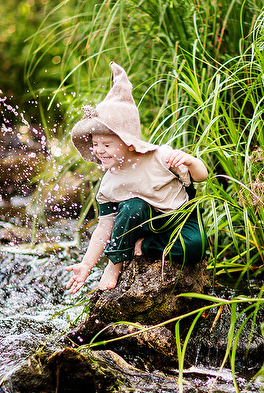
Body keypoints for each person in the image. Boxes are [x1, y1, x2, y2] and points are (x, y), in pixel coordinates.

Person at [66, 62, 208, 294]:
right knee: (132, 207)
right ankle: (115, 263)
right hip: (143, 220)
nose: (99, 150)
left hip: (178, 216)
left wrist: (191, 161)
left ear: (129, 143)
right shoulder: (109, 183)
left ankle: (144, 245)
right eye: (95, 144)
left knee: (196, 247)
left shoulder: (160, 157)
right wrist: (86, 264)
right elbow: (104, 227)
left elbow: (201, 177)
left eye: (107, 144)